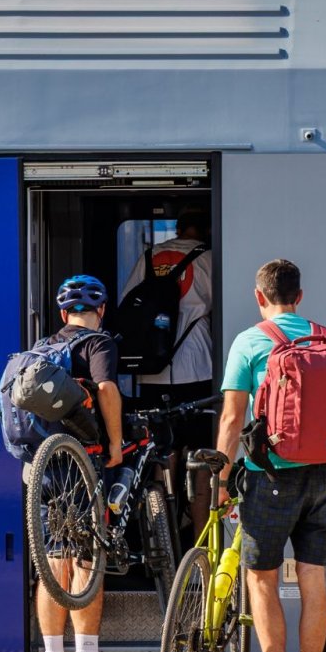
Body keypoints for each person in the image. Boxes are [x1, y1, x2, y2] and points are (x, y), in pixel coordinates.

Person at [215, 259, 326, 652]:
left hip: (270, 478)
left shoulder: (251, 341)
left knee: (263, 579)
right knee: (314, 578)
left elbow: (232, 419)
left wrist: (223, 478)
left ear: (259, 297)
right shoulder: (322, 337)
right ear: (300, 296)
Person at [33, 275, 132, 652]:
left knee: (54, 560)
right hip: (83, 464)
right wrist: (114, 444)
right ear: (103, 310)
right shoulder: (97, 343)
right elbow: (106, 388)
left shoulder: (41, 348)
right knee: (88, 559)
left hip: (47, 464)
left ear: (61, 314)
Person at [120, 207, 216, 538]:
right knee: (201, 452)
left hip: (152, 371)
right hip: (197, 368)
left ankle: (164, 537)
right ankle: (201, 538)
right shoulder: (208, 258)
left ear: (177, 228)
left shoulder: (149, 257)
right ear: (204, 230)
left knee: (164, 453)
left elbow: (128, 306)